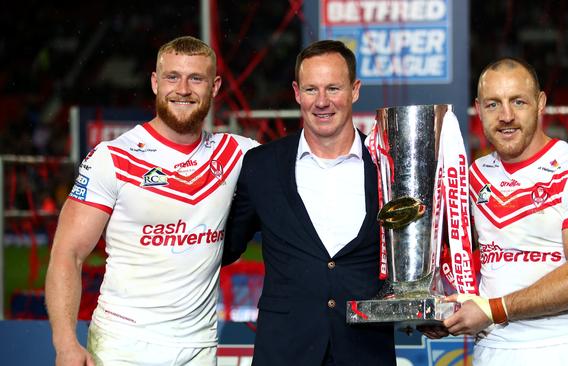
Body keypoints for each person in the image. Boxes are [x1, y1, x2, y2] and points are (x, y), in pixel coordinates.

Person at [45, 36, 258, 366]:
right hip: (123, 345)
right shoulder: (113, 157)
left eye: (196, 78)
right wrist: (65, 343)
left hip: (200, 346)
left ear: (214, 87)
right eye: (172, 77)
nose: (183, 89)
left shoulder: (238, 154)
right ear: (155, 83)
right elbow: (67, 253)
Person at [422, 57, 568, 365]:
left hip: (565, 352)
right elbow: (452, 260)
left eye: (518, 101)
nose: (506, 116)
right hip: (492, 352)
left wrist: (492, 309)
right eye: (493, 105)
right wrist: (444, 311)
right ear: (478, 108)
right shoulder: (472, 176)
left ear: (540, 103)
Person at [222, 40, 396, 366]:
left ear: (355, 90)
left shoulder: (388, 165)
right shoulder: (261, 166)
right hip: (284, 352)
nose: (322, 102)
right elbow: (224, 246)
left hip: (366, 352)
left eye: (333, 88)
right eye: (311, 89)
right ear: (296, 92)